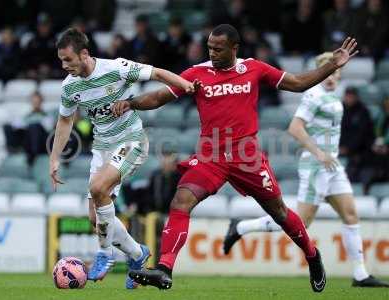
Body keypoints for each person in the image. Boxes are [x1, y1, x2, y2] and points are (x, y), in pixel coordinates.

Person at [111, 24, 359, 292]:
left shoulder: (254, 68)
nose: (213, 53)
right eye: (209, 48)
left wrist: (333, 64)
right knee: (181, 200)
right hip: (211, 155)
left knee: (279, 212)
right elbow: (160, 96)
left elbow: (298, 84)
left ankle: (312, 254)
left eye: (218, 49)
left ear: (234, 48)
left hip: (247, 156)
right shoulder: (197, 74)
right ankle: (165, 268)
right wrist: (131, 102)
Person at [222, 52, 389, 288]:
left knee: (351, 215)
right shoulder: (313, 96)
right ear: (321, 74)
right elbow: (295, 128)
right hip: (315, 166)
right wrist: (319, 153)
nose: (332, 77)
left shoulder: (334, 97)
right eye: (328, 73)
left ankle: (360, 274)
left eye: (336, 72)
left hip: (333, 167)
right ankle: (241, 226)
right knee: (300, 222)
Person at [49, 28, 197, 289]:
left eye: (68, 60)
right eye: (61, 60)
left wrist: (184, 85)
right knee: (96, 219)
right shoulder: (70, 86)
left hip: (131, 141)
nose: (64, 65)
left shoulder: (116, 69)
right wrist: (54, 158)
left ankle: (105, 254)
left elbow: (157, 73)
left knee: (97, 188)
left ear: (84, 54)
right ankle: (138, 254)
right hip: (102, 148)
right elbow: (64, 121)